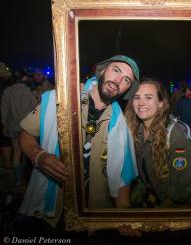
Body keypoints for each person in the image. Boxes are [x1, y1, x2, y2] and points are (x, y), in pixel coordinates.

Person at [18, 55, 140, 227]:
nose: (118, 80)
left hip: (92, 220)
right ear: (103, 71)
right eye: (116, 70)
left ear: (127, 89)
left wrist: (125, 220)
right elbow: (25, 135)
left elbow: (122, 182)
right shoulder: (60, 100)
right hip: (49, 213)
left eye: (126, 80)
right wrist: (38, 156)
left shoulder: (121, 129)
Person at [125, 79, 191, 208]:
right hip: (152, 195)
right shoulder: (136, 130)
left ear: (161, 103)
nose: (141, 103)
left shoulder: (176, 136)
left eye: (148, 97)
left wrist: (157, 217)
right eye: (136, 97)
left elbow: (180, 190)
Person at [1, 69, 36, 185]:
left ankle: (18, 180)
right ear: (23, 78)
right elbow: (33, 109)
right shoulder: (29, 91)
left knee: (16, 152)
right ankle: (28, 179)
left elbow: (4, 111)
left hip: (12, 126)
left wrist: (4, 124)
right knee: (28, 152)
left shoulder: (7, 91)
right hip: (26, 127)